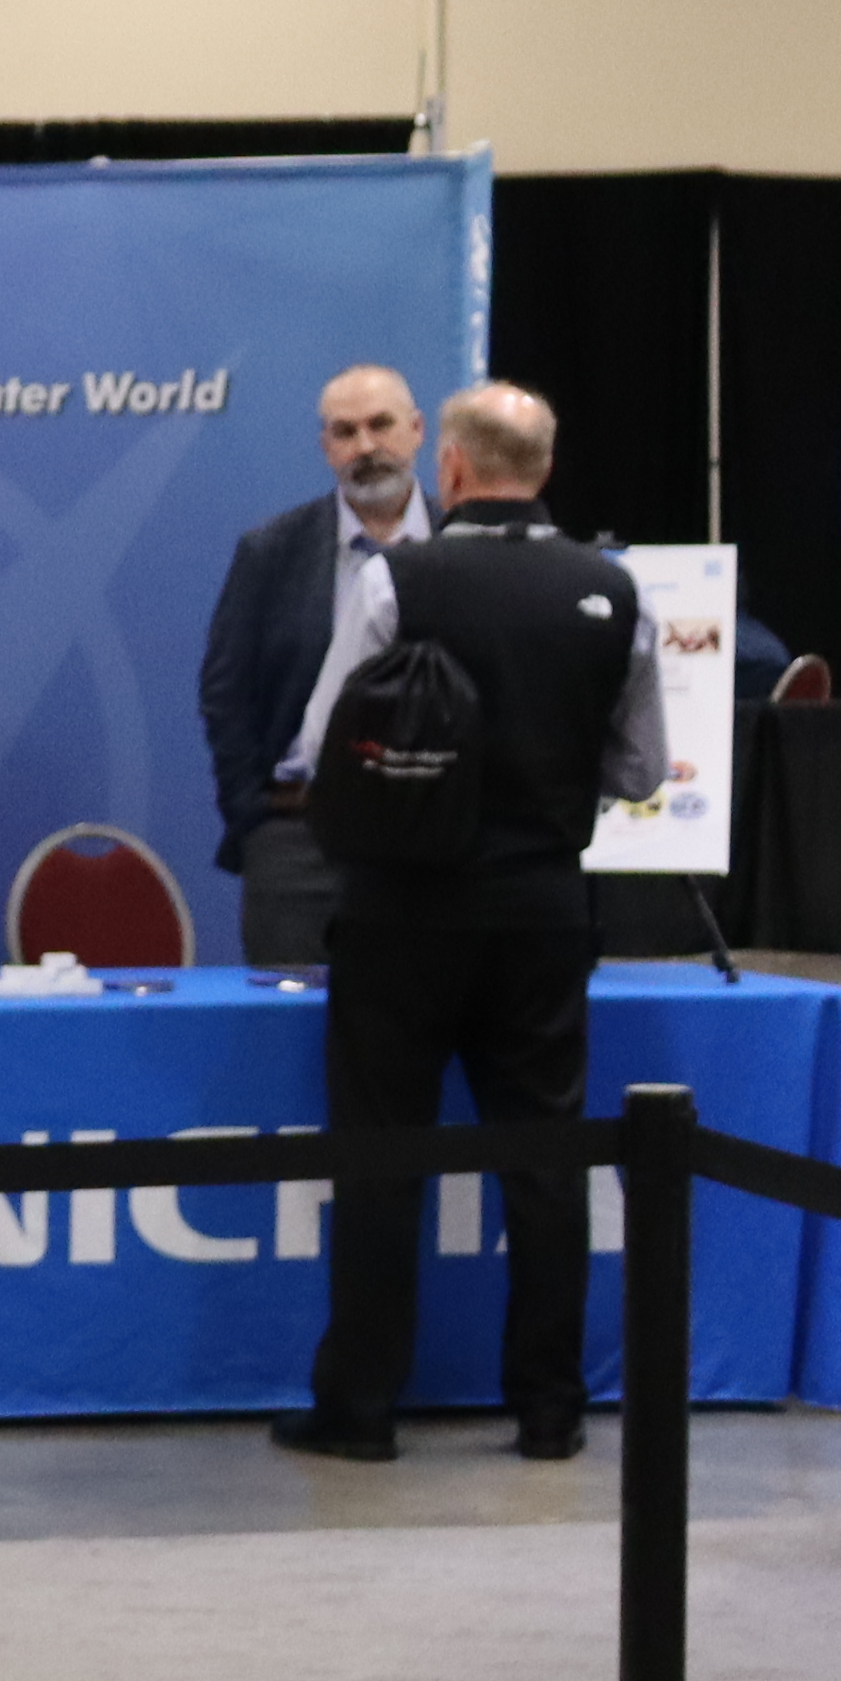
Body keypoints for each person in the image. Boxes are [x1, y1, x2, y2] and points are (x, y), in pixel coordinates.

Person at [272, 378, 665, 1467]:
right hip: (543, 912)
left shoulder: (398, 577)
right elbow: (640, 769)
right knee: (545, 1160)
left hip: (402, 912)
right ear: (545, 469)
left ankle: (361, 1409)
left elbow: (322, 738)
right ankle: (550, 1410)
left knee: (381, 1159)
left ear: (449, 466)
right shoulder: (613, 589)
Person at [200, 364, 434, 969]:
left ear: (417, 430)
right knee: (288, 1020)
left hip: (437, 840)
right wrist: (255, 820)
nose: (366, 446)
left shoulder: (459, 545)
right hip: (298, 839)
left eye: (381, 425)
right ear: (326, 447)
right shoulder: (271, 551)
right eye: (345, 432)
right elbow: (226, 691)